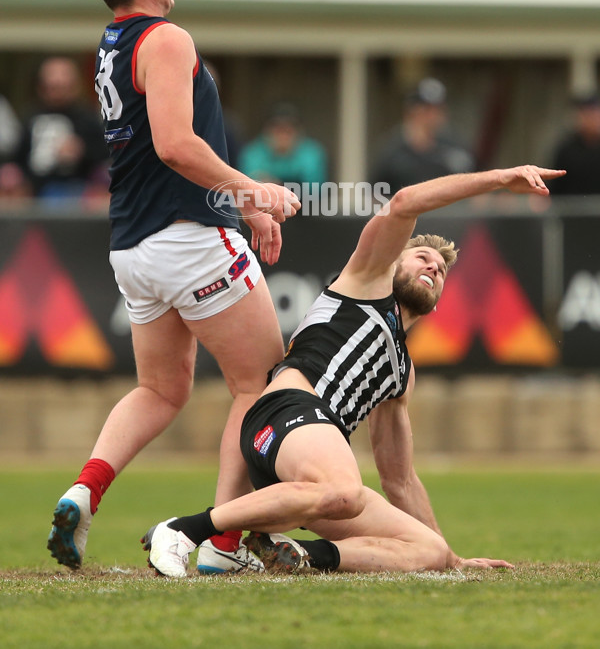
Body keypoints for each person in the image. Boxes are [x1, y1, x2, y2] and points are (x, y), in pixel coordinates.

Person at [142, 162, 565, 577]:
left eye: (440, 272)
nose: (433, 267)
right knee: (343, 490)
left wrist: (453, 560)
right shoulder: (366, 279)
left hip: (313, 468)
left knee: (426, 548)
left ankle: (298, 554)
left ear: (436, 304)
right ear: (394, 262)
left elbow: (399, 479)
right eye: (422, 257)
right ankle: (184, 530)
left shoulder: (402, 372)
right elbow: (404, 202)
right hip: (283, 414)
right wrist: (499, 179)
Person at [47, 0, 300, 573]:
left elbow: (165, 158)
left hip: (133, 246)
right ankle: (222, 543)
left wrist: (241, 206)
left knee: (160, 390)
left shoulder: (113, 42)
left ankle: (85, 490)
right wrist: (257, 191)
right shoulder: (165, 38)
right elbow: (176, 147)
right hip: (185, 239)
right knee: (262, 383)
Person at [14, 56, 108, 200]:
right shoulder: (30, 117)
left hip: (77, 192)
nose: (58, 94)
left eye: (63, 87)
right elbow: (17, 157)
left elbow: (104, 157)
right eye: (53, 88)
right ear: (41, 87)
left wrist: (82, 150)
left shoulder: (87, 118)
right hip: (33, 194)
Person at [370, 77, 475, 194]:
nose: (432, 115)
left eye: (438, 109)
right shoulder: (393, 152)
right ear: (411, 111)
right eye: (426, 109)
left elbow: (476, 189)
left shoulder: (455, 146)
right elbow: (374, 195)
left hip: (449, 210)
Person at [239, 101, 328, 187]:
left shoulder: (312, 152)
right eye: (278, 128)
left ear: (299, 131)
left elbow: (315, 188)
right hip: (264, 201)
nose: (283, 135)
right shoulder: (253, 152)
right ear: (266, 130)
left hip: (303, 201)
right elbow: (246, 185)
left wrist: (279, 184)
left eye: (288, 129)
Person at [548, 91, 600, 195]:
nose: (591, 119)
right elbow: (555, 185)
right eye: (586, 114)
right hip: (572, 209)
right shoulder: (567, 150)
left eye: (595, 114)